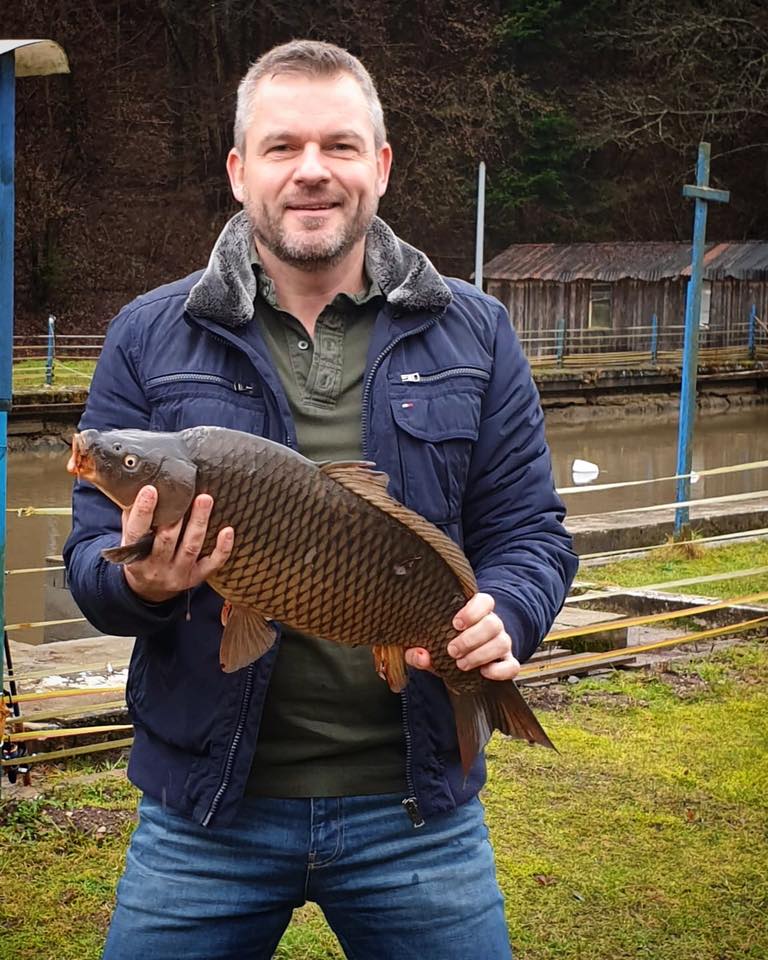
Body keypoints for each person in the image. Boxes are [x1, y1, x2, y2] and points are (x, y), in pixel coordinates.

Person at [64, 39, 577, 960]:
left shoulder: (477, 328)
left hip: (414, 816)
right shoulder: (146, 334)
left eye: (340, 146)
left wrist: (511, 616)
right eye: (281, 147)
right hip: (205, 815)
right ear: (238, 171)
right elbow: (89, 570)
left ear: (378, 167)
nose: (312, 172)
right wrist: (147, 585)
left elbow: (530, 531)